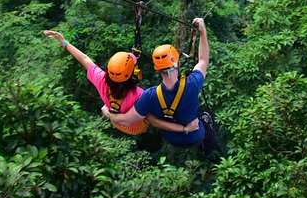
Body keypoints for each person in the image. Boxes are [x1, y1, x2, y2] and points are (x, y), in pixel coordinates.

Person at [43, 30, 198, 135]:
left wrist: (64, 42)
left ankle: (107, 111)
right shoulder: (140, 95)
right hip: (136, 128)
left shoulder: (102, 80)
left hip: (117, 122)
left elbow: (84, 59)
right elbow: (155, 122)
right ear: (133, 75)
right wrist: (184, 128)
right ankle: (108, 112)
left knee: (107, 108)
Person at [103, 18, 218, 156]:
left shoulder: (149, 96)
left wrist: (109, 113)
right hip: (195, 136)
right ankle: (208, 149)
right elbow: (203, 60)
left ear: (157, 70)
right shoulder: (192, 84)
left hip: (171, 139)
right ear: (178, 64)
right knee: (205, 119)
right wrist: (203, 31)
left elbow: (126, 120)